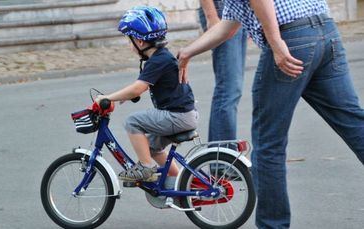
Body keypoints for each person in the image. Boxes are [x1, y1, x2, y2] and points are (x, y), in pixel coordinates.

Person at [177, 0, 364, 228]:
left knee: (269, 144)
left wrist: (275, 43)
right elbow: (229, 26)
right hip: (326, 32)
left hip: (291, 37)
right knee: (354, 123)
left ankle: (272, 225)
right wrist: (187, 51)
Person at [96, 6, 198, 182]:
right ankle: (178, 182)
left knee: (132, 121)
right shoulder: (160, 57)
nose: (130, 45)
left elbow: (137, 88)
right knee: (151, 148)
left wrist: (107, 97)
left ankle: (146, 167)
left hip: (177, 116)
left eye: (130, 40)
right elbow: (142, 87)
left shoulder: (158, 60)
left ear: (140, 42)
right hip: (184, 114)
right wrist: (124, 97)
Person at [198, 0, 247, 142]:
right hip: (220, 13)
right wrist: (211, 16)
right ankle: (222, 159)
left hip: (237, 13)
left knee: (232, 91)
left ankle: (221, 156)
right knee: (228, 90)